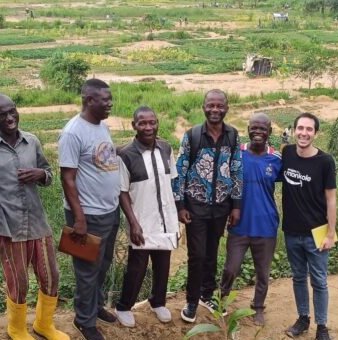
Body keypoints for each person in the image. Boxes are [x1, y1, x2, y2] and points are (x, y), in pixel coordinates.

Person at [0, 94, 69, 340]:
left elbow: (49, 173)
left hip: (38, 222)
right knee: (18, 281)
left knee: (51, 276)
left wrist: (41, 174)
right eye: (2, 115)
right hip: (9, 226)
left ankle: (44, 324)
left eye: (12, 111)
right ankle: (17, 328)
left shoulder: (31, 141)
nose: (10, 118)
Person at [172, 89, 243, 323]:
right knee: (197, 255)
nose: (215, 109)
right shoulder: (192, 136)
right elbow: (180, 172)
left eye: (220, 105)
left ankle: (206, 295)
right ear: (203, 107)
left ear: (226, 108)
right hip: (195, 207)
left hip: (221, 207)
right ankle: (192, 301)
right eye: (211, 105)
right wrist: (180, 205)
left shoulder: (233, 135)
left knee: (212, 253)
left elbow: (236, 171)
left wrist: (236, 205)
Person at [59, 78, 120, 340]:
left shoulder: (102, 126)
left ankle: (95, 307)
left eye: (110, 99)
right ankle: (84, 320)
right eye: (105, 100)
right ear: (88, 100)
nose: (110, 104)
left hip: (109, 211)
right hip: (87, 216)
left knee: (103, 265)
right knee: (86, 271)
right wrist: (79, 219)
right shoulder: (73, 133)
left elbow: (104, 159)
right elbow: (67, 178)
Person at [112, 106, 178, 327]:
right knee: (137, 267)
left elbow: (171, 182)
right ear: (134, 126)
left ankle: (158, 302)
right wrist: (133, 223)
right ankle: (124, 306)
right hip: (141, 220)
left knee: (163, 264)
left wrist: (177, 213)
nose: (148, 127)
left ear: (157, 123)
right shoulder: (126, 154)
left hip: (165, 218)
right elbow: (122, 191)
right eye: (142, 123)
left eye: (152, 122)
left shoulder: (166, 148)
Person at [280, 113, 337, 340]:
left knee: (319, 281)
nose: (304, 133)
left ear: (316, 133)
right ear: (294, 130)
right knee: (298, 277)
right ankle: (303, 319)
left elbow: (331, 199)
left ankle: (322, 327)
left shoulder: (325, 161)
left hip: (317, 231)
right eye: (300, 128)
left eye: (309, 129)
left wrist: (331, 234)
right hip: (291, 230)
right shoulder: (287, 153)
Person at [217, 113, 280, 326]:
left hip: (266, 225)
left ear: (270, 132)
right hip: (239, 224)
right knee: (231, 268)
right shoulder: (237, 154)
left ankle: (258, 307)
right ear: (248, 129)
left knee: (263, 272)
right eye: (254, 128)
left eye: (263, 128)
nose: (258, 132)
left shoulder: (276, 159)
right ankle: (221, 299)